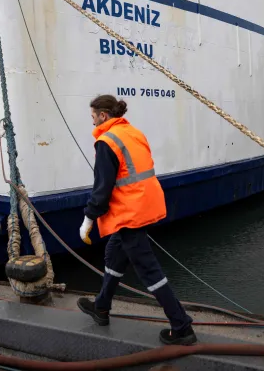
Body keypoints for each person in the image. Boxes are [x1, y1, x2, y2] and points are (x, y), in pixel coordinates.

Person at [76, 95, 196, 346]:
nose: (92, 123)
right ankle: (101, 307)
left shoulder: (106, 142)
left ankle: (181, 326)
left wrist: (88, 219)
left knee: (149, 271)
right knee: (114, 255)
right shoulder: (133, 132)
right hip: (144, 206)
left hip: (128, 213)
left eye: (93, 117)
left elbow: (102, 189)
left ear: (103, 116)